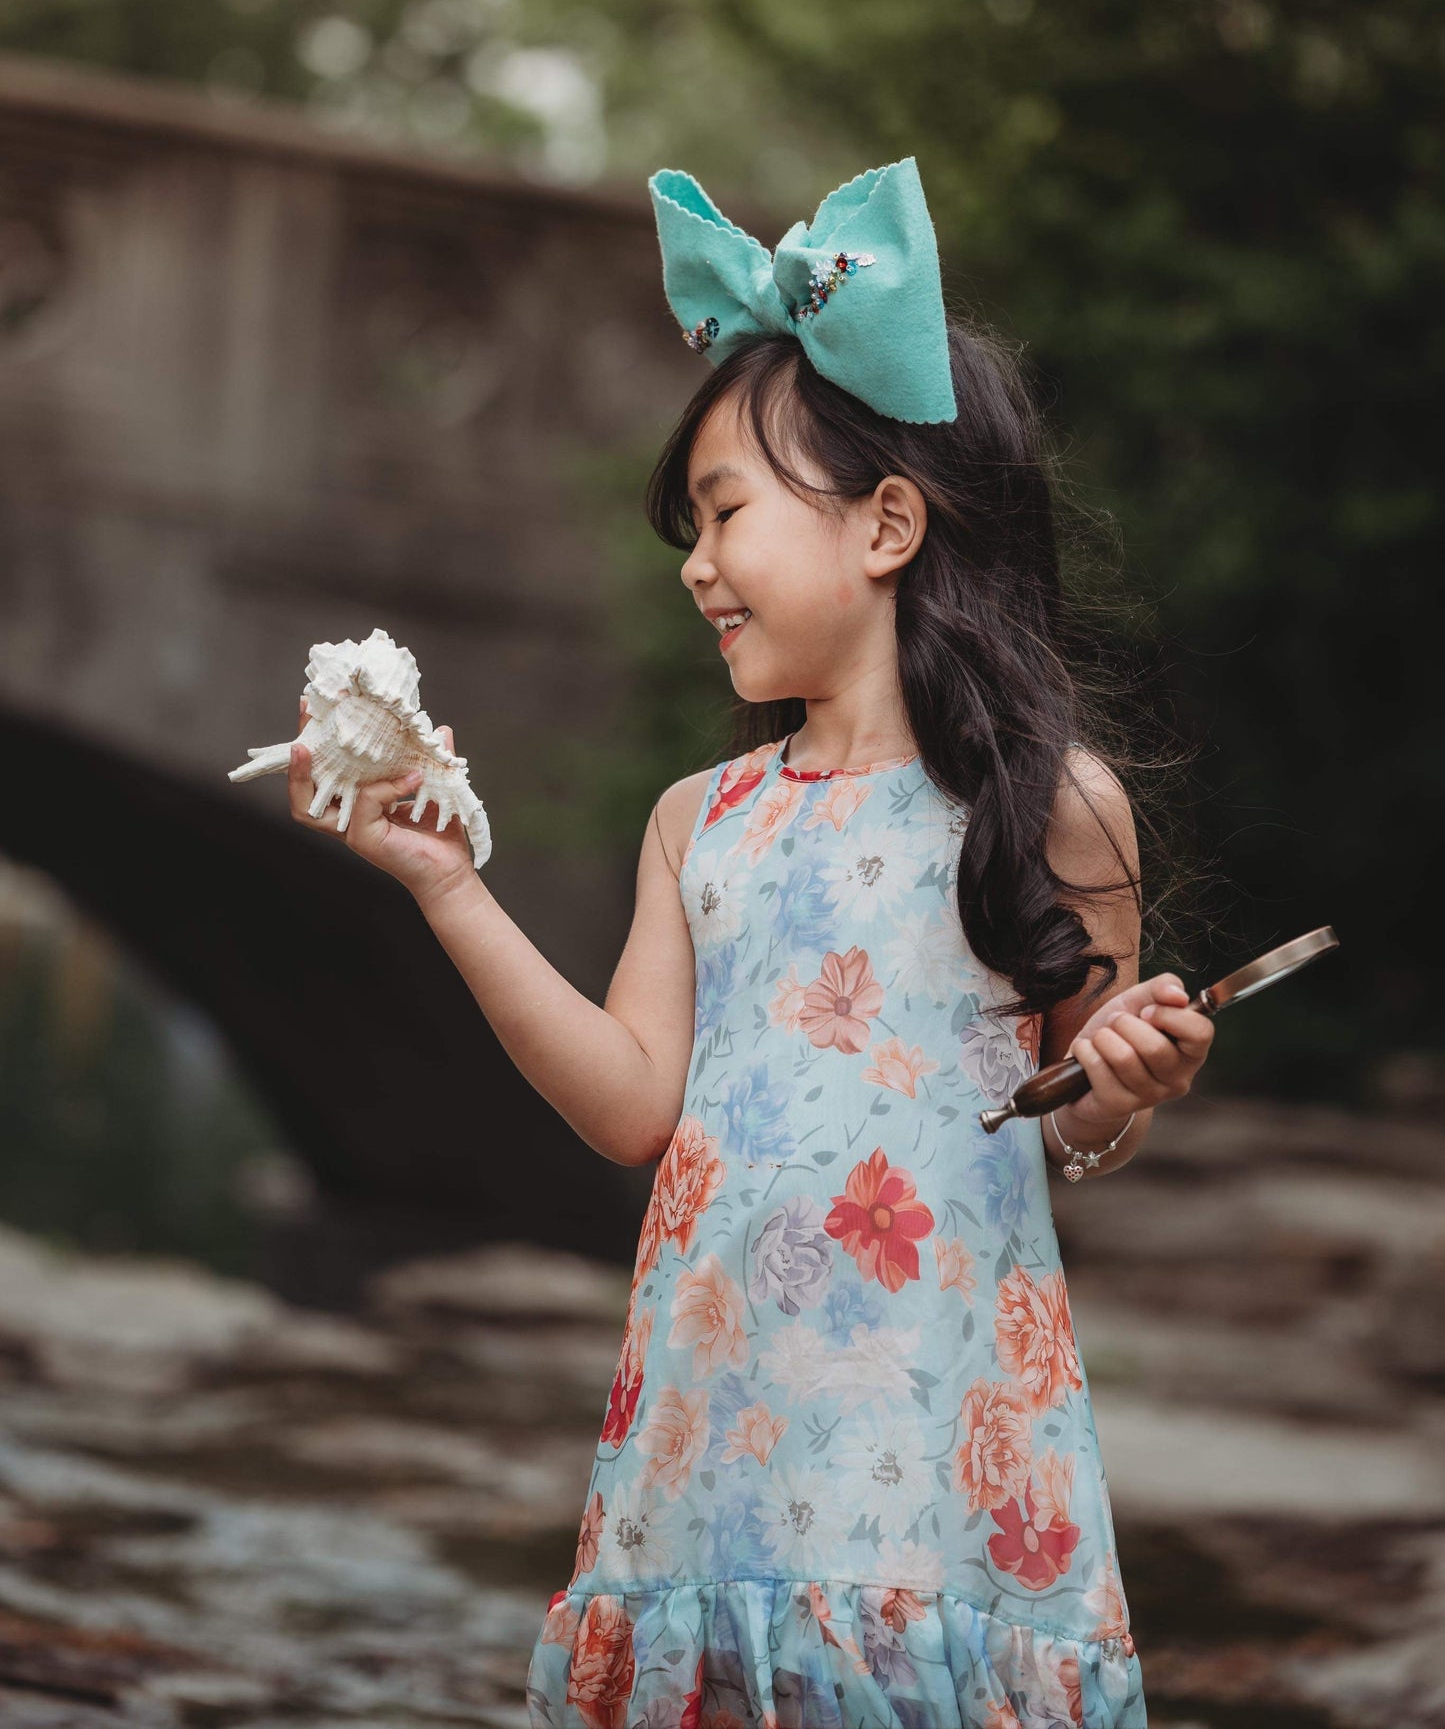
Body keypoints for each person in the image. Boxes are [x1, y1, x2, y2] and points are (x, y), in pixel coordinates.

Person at [287, 157, 1214, 1728]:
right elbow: (630, 1105)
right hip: (706, 1444)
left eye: (722, 514)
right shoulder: (696, 820)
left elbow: (1080, 1116)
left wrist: (1131, 1075)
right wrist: (447, 887)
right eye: (688, 525)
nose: (693, 563)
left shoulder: (1051, 805)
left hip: (927, 1470)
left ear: (887, 525)